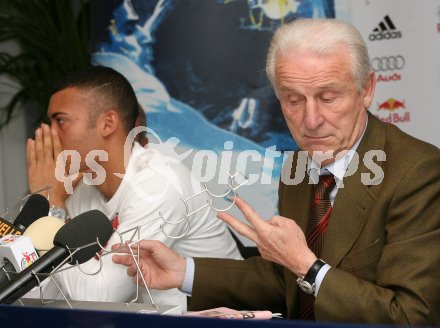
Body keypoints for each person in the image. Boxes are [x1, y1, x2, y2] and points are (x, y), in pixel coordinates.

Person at [112, 18, 440, 325]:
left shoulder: (417, 172)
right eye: (293, 100)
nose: (310, 120)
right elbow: (283, 280)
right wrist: (185, 271)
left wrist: (307, 266)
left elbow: (411, 316)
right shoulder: (297, 165)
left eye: (328, 97)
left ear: (366, 89)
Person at [25, 65, 242, 310]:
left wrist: (52, 202)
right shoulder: (80, 189)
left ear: (108, 123)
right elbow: (47, 292)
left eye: (60, 121)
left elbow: (97, 300)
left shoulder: (159, 183)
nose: (48, 134)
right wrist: (47, 203)